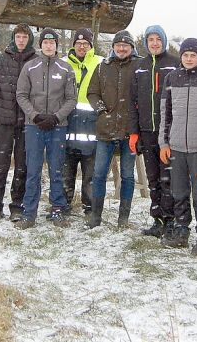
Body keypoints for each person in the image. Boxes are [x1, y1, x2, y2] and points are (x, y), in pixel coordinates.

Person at [158, 38, 197, 256]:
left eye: (193, 55)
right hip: (175, 148)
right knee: (179, 193)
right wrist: (163, 143)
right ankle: (181, 232)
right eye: (185, 55)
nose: (189, 59)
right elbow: (165, 114)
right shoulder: (172, 77)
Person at [15, 28, 77, 229]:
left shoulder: (66, 68)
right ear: (40, 45)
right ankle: (29, 212)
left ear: (57, 45)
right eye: (45, 42)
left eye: (52, 43)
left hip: (58, 127)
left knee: (56, 169)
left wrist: (56, 117)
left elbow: (71, 99)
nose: (49, 46)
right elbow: (21, 95)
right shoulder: (30, 67)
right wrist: (35, 115)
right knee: (32, 170)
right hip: (34, 127)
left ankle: (57, 209)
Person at [0, 24, 36, 222]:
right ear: (14, 38)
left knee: (22, 166)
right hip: (3, 122)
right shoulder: (0, 61)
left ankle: (17, 206)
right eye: (18, 37)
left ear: (29, 39)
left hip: (26, 123)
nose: (21, 40)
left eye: (24, 37)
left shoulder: (35, 62)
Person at [129, 25, 179, 238]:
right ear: (146, 43)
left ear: (164, 41)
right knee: (153, 178)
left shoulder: (174, 65)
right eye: (151, 39)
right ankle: (157, 219)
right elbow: (132, 102)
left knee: (168, 177)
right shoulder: (140, 67)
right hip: (147, 130)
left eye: (158, 39)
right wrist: (134, 132)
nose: (155, 43)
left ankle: (171, 220)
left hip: (168, 132)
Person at [85, 30, 138, 228]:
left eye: (126, 45)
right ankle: (96, 216)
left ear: (131, 48)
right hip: (105, 129)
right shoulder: (102, 68)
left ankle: (123, 218)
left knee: (127, 175)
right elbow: (92, 92)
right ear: (113, 47)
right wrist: (101, 110)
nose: (122, 48)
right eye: (118, 45)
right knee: (98, 174)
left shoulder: (138, 66)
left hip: (128, 130)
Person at [64, 28, 102, 216]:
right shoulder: (63, 64)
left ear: (91, 46)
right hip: (67, 128)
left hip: (91, 128)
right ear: (73, 45)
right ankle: (63, 205)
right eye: (78, 44)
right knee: (66, 173)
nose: (82, 47)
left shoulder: (101, 63)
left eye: (85, 44)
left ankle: (90, 208)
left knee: (90, 175)